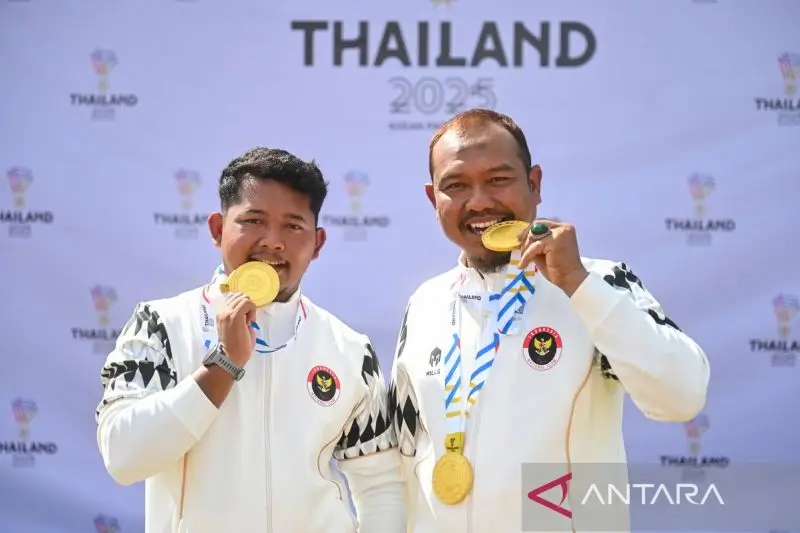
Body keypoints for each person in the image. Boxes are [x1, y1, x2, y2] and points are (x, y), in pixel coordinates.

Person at [388, 109, 710, 532]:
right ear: (434, 200)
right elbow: (405, 454)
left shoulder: (599, 282)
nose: (479, 201)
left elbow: (682, 396)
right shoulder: (425, 302)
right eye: (456, 185)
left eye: (498, 179)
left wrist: (577, 283)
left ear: (534, 184)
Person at [95, 148, 405, 533]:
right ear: (217, 229)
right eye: (253, 220)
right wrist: (223, 366)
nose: (272, 242)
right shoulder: (161, 325)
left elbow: (380, 485)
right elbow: (124, 457)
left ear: (318, 243)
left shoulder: (350, 350)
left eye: (293, 226)